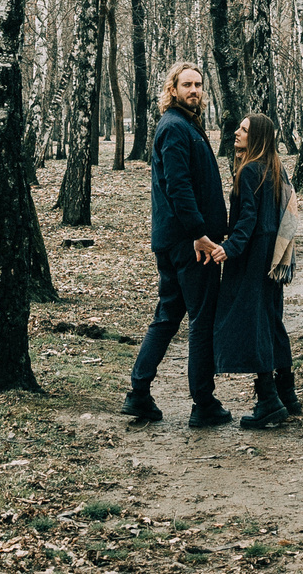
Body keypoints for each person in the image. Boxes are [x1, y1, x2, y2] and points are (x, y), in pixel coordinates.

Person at [125, 63, 232, 427]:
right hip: (190, 244)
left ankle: (138, 393)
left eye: (199, 84)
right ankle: (204, 402)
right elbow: (178, 185)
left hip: (178, 239)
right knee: (202, 319)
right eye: (187, 84)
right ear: (172, 89)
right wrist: (199, 233)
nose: (194, 90)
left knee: (168, 315)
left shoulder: (187, 125)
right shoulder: (174, 127)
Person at [212, 112, 297, 429]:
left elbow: (247, 218)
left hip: (252, 257)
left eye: (244, 129)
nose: (236, 132)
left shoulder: (249, 171)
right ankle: (287, 393)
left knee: (255, 323)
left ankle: (268, 400)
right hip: (272, 254)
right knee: (271, 320)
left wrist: (229, 248)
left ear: (257, 137)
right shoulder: (275, 167)